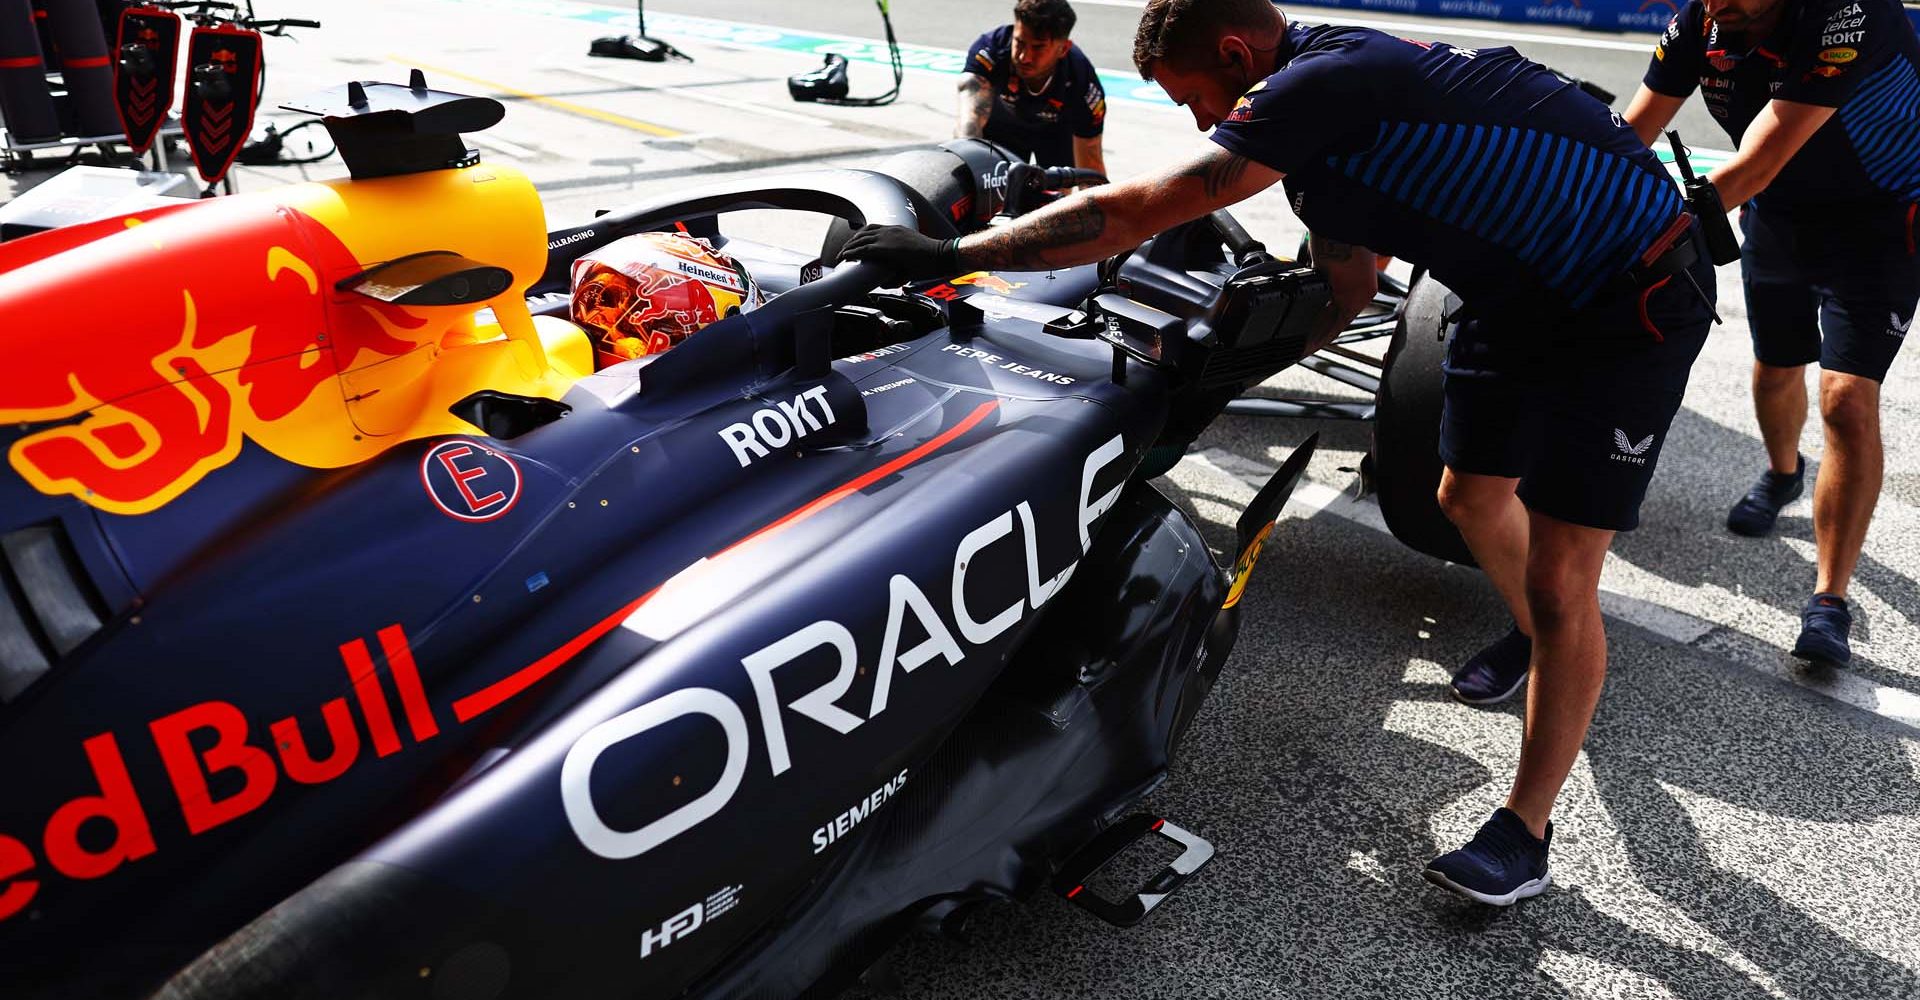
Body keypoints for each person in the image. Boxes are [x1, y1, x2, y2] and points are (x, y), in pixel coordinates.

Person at [840, 0, 1718, 907]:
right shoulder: (1316, 155)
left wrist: (947, 254)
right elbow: (1346, 288)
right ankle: (1543, 640)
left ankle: (1524, 832)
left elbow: (1138, 209)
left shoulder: (1328, 81)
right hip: (1514, 292)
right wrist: (1222, 378)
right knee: (1466, 497)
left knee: (1564, 572)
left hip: (1631, 292)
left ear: (1235, 53)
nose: (1197, 122)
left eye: (1193, 100)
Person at [1623, 0, 1920, 667]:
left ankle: (1828, 601)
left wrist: (1639, 248)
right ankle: (1784, 473)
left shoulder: (1849, 12)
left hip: (1882, 219)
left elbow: (1759, 160)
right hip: (1781, 214)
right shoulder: (1702, 20)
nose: (1717, 3)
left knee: (1845, 398)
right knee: (1776, 362)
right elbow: (1630, 130)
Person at [958, 0, 1107, 178]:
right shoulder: (990, 50)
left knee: (1058, 196)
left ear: (1063, 49)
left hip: (1055, 133)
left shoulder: (1081, 80)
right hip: (1002, 128)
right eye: (1019, 42)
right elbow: (967, 130)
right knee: (988, 185)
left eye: (1038, 47)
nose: (1024, 57)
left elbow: (1091, 165)